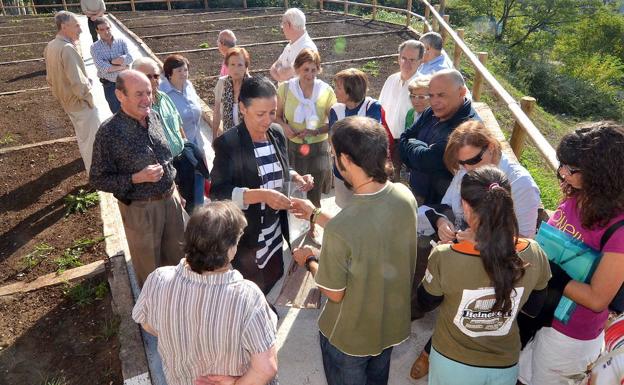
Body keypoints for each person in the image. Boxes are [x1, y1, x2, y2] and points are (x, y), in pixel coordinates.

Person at [290, 116, 418, 385]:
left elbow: (334, 293)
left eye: (334, 154)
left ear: (345, 160)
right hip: (387, 325)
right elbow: (368, 233)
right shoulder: (404, 196)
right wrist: (315, 215)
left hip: (349, 338)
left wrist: (309, 259)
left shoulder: (343, 228)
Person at [409, 121, 542, 380]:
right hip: (463, 248)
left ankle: (430, 351)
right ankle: (432, 346)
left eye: (471, 162)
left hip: (497, 265)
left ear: (491, 148)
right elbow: (448, 207)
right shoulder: (468, 167)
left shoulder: (522, 184)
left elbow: (524, 240)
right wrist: (441, 221)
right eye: (461, 165)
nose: (465, 170)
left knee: (461, 310)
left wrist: (480, 241)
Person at [518, 121, 624, 385]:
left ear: (601, 174)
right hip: (541, 310)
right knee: (520, 376)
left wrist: (546, 268)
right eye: (562, 163)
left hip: (570, 334)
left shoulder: (619, 229)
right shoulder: (576, 195)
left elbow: (597, 299)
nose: (562, 173)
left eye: (572, 168)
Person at [132, 201, 278, 385]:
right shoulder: (247, 297)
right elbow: (266, 368)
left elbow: (147, 324)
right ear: (229, 248)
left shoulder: (158, 279)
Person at [210, 76, 313, 295]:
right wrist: (259, 195)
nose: (267, 120)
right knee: (251, 291)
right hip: (248, 237)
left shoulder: (276, 133)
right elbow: (218, 193)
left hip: (275, 231)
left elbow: (281, 167)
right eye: (260, 114)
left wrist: (295, 177)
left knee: (271, 279)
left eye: (272, 112)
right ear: (242, 108)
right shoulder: (228, 144)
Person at [89, 70, 186, 287]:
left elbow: (167, 159)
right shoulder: (109, 132)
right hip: (141, 211)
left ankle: (179, 309)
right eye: (139, 94)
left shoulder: (154, 117)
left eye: (149, 93)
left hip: (171, 202)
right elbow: (97, 178)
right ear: (120, 95)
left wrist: (175, 190)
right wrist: (135, 178)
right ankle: (153, 318)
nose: (146, 99)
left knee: (179, 261)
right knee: (151, 270)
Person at [132, 57, 209, 215]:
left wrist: (186, 145)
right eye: (148, 76)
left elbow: (178, 125)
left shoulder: (164, 98)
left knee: (195, 204)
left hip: (182, 159)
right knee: (176, 210)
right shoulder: (136, 110)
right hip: (163, 169)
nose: (153, 80)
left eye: (155, 76)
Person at [399, 69, 480, 205]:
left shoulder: (467, 128)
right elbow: (403, 139)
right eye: (431, 95)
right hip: (417, 192)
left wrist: (413, 147)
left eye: (441, 95)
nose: (434, 101)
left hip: (443, 207)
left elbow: (428, 160)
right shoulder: (431, 111)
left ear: (461, 92)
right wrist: (420, 151)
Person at [45, 11, 104, 174]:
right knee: (93, 142)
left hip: (68, 103)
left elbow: (49, 79)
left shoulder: (51, 46)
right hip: (80, 103)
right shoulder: (68, 49)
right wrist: (88, 99)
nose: (81, 29)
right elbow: (79, 84)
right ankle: (97, 175)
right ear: (64, 27)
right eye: (77, 25)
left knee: (84, 138)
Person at [276, 49, 336, 208]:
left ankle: (312, 222)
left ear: (318, 69)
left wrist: (315, 131)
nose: (310, 74)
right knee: (295, 187)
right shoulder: (285, 89)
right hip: (293, 145)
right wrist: (285, 127)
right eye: (305, 69)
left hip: (317, 147)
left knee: (314, 190)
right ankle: (295, 222)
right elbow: (276, 116)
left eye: (313, 69)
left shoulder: (327, 91)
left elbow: (334, 122)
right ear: (297, 69)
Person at [328, 68, 390, 207]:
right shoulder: (335, 109)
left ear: (350, 90)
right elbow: (333, 141)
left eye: (338, 88)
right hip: (341, 172)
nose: (335, 91)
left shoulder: (372, 106)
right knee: (345, 209)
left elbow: (371, 139)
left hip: (367, 173)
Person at [160, 54, 211, 212]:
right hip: (179, 150)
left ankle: (198, 215)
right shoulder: (163, 93)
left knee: (200, 180)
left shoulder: (188, 85)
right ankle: (193, 219)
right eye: (179, 71)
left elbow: (196, 116)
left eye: (186, 70)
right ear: (169, 73)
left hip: (196, 142)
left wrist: (200, 147)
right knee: (189, 187)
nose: (184, 74)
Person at [378, 40, 424, 180]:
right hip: (384, 141)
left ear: (420, 62)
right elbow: (380, 108)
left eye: (412, 60)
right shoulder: (391, 79)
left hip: (405, 144)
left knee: (399, 185)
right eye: (403, 58)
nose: (407, 64)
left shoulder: (423, 86)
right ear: (398, 58)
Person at [90, 17, 133, 114]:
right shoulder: (94, 47)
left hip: (126, 83)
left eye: (108, 28)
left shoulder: (121, 42)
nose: (106, 32)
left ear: (111, 27)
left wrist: (110, 62)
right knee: (117, 114)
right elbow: (103, 68)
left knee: (132, 112)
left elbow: (130, 58)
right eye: (102, 30)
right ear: (97, 31)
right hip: (110, 86)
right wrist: (122, 66)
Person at [270, 8, 317, 82]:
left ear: (288, 25)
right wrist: (281, 76)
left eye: (283, 24)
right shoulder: (291, 44)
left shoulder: (307, 49)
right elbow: (272, 69)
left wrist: (279, 71)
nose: (282, 28)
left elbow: (283, 73)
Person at [213, 47, 251, 138]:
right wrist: (214, 136)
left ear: (246, 66)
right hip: (230, 138)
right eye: (232, 64)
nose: (235, 69)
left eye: (240, 65)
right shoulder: (222, 83)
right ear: (227, 66)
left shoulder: (252, 85)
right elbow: (217, 112)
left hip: (249, 138)